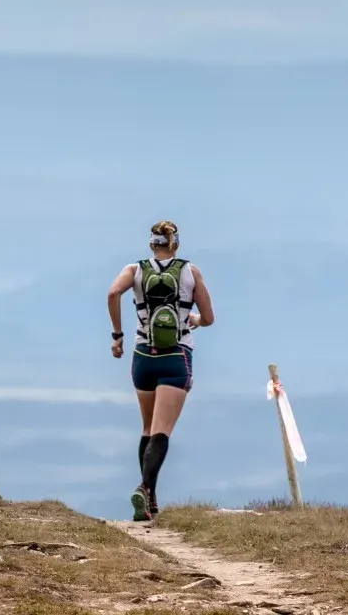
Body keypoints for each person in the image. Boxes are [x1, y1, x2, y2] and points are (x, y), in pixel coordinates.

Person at [107, 219, 214, 522]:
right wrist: (193, 320)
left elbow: (113, 294)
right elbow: (208, 317)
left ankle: (150, 501)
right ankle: (144, 488)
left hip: (143, 356)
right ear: (174, 243)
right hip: (175, 357)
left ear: (151, 243)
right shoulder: (191, 272)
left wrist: (118, 336)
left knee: (146, 428)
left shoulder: (135, 270)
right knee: (161, 431)